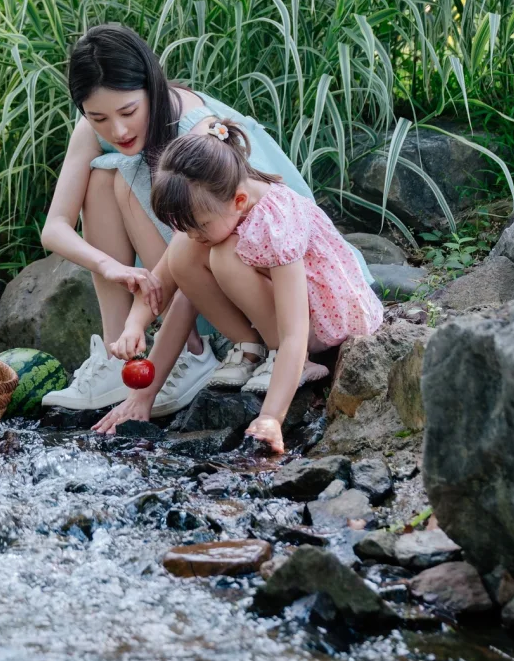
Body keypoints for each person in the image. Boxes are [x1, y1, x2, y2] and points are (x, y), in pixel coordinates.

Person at [39, 23, 370, 415]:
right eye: (98, 118)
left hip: (264, 274)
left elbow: (194, 247)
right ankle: (121, 354)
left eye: (128, 111)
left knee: (143, 198)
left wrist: (270, 419)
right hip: (198, 262)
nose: (118, 129)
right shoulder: (99, 125)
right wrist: (109, 267)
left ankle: (198, 351)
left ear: (152, 88)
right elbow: (54, 228)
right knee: (104, 176)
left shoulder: (198, 137)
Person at [93, 117, 383, 451]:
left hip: (322, 323)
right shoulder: (209, 208)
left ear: (239, 201)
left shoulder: (277, 221)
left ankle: (289, 364)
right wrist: (142, 389)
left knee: (221, 256)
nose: (192, 234)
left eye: (198, 226)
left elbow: (294, 333)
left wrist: (272, 416)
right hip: (290, 317)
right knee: (185, 256)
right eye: (184, 227)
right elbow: (175, 284)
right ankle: (251, 348)